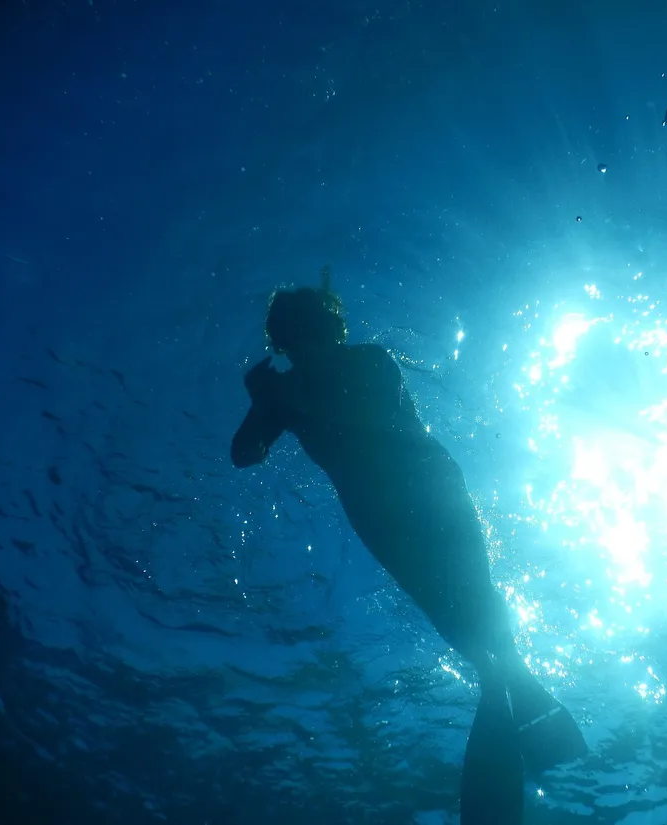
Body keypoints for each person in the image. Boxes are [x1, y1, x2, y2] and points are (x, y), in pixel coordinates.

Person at [230, 268, 587, 824]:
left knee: (485, 621)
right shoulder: (286, 396)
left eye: (319, 331)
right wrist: (261, 404)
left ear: (335, 332)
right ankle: (528, 724)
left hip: (431, 490)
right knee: (470, 638)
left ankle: (526, 720)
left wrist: (275, 397)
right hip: (380, 518)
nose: (315, 344)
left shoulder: (367, 361)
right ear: (286, 342)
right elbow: (244, 454)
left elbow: (360, 416)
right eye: (299, 336)